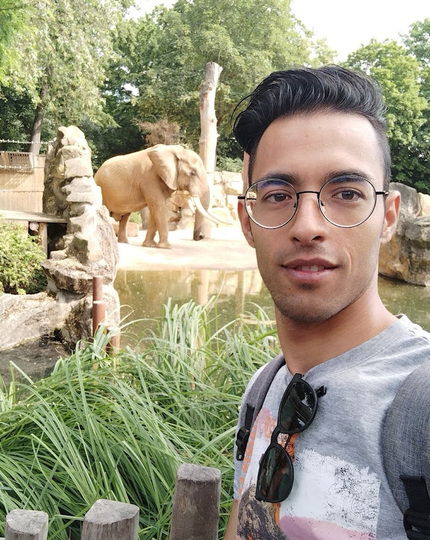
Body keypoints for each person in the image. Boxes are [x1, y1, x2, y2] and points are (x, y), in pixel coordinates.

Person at [224, 65, 430, 539]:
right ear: (248, 221)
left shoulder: (420, 405)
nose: (307, 226)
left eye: (347, 193)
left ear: (388, 217)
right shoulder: (265, 387)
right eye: (278, 195)